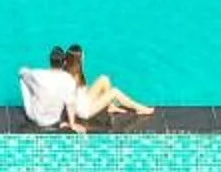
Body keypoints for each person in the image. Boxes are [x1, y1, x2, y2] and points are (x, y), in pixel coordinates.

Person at [19, 44, 153, 132]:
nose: (84, 56)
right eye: (83, 55)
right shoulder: (69, 78)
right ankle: (141, 109)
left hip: (84, 100)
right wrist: (69, 122)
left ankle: (110, 106)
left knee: (103, 79)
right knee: (115, 92)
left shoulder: (72, 72)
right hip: (84, 110)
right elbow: (68, 101)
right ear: (79, 59)